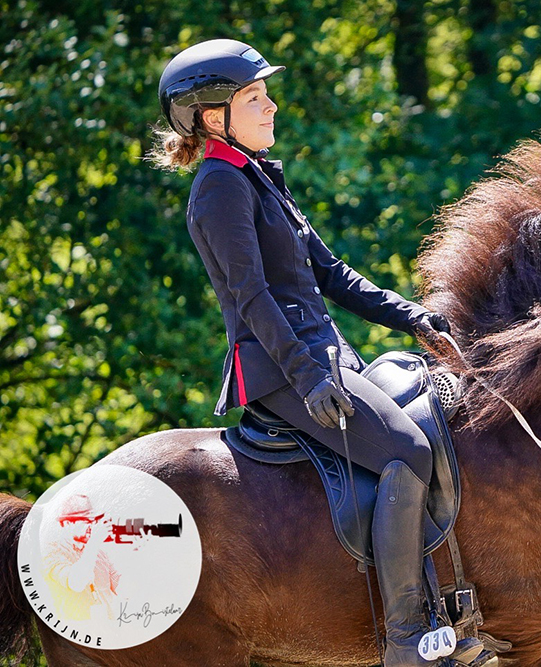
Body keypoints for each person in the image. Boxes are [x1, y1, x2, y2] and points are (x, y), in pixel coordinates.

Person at [153, 39, 467, 667]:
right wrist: (304, 376)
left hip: (323, 357)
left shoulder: (259, 176)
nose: (271, 107)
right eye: (254, 97)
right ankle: (407, 639)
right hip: (281, 368)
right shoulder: (219, 188)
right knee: (407, 449)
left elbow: (331, 273)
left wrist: (414, 317)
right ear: (214, 117)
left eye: (266, 94)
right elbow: (251, 298)